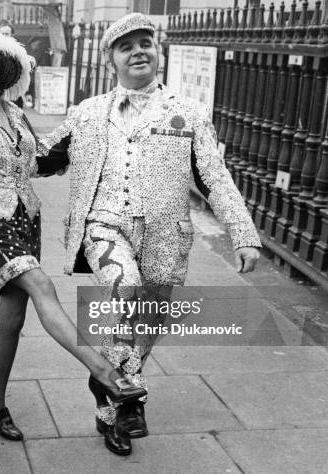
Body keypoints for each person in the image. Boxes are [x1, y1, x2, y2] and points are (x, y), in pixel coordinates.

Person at [0, 27, 146, 443]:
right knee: (41, 284)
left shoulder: (14, 113)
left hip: (25, 217)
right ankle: (107, 374)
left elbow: (36, 162)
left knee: (13, 320)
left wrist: (86, 129)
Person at [37, 13, 262, 455]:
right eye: (127, 46)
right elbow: (42, 158)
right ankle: (131, 399)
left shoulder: (190, 113)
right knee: (127, 292)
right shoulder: (87, 113)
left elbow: (215, 178)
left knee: (148, 324)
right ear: (110, 59)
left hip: (166, 235)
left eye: (146, 43)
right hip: (104, 226)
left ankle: (111, 408)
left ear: (158, 52)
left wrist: (243, 232)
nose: (139, 51)